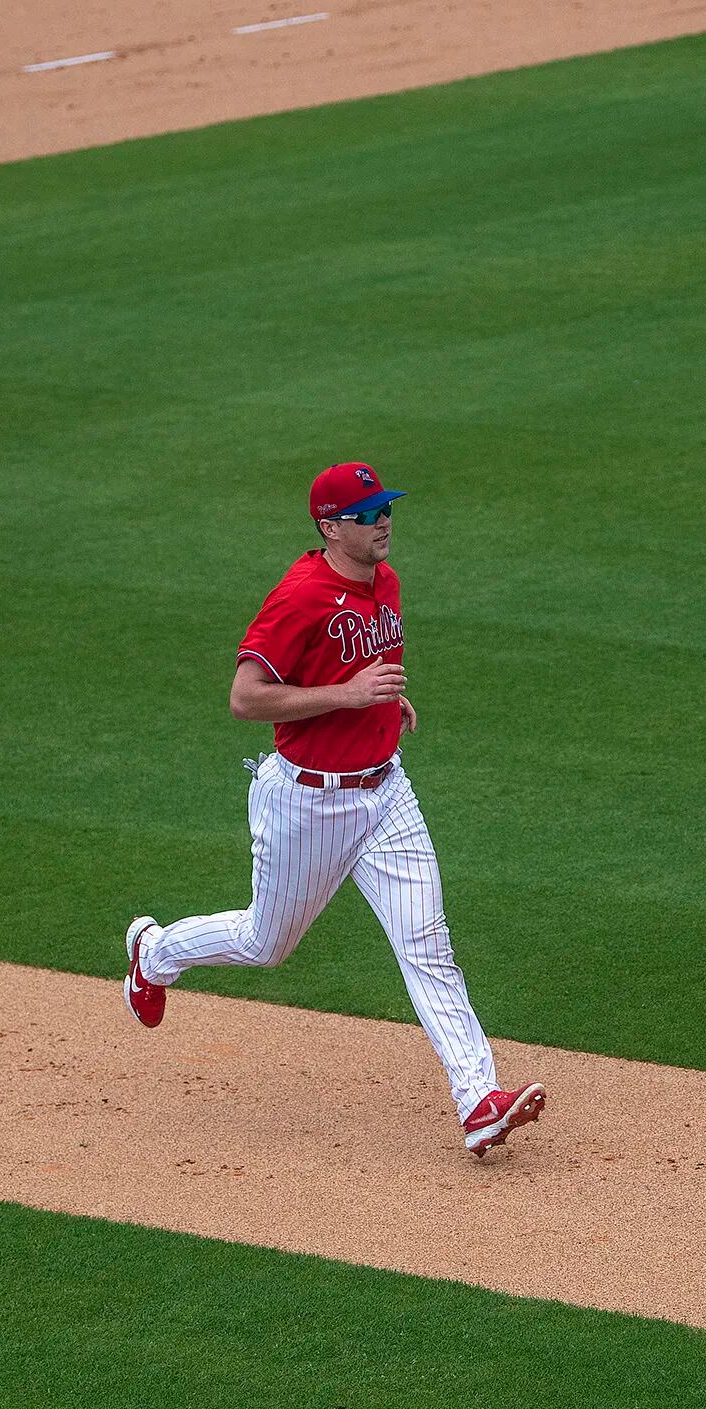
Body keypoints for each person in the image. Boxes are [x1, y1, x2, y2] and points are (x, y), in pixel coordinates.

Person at [123, 461, 545, 1158]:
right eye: (368, 513)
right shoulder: (301, 595)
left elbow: (363, 673)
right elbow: (245, 697)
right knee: (267, 942)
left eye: (386, 509)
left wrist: (380, 700)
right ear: (329, 526)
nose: (384, 521)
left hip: (385, 793)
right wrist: (347, 697)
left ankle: (479, 1101)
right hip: (307, 803)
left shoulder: (385, 580)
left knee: (427, 944)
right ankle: (154, 952)